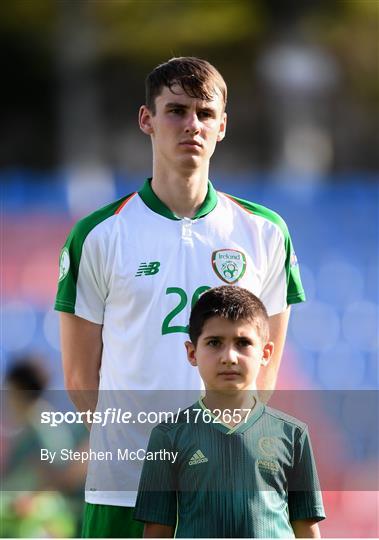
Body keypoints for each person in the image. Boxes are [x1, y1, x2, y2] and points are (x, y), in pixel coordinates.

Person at [55, 57, 306, 537]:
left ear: (223, 126)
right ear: (146, 120)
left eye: (205, 113)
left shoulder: (265, 232)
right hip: (125, 486)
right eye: (176, 110)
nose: (192, 124)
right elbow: (79, 374)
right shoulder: (99, 234)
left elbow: (267, 363)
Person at [134, 286, 325, 538]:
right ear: (192, 352)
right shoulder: (168, 436)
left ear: (266, 353)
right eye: (214, 343)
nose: (229, 357)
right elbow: (157, 530)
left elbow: (306, 528)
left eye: (243, 343)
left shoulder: (293, 434)